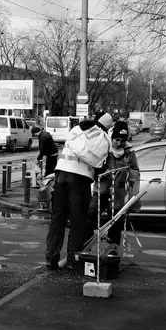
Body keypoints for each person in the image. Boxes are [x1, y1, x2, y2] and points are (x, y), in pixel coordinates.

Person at [45, 111, 113, 270]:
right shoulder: (102, 137)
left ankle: (51, 257)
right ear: (107, 127)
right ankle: (72, 260)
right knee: (77, 221)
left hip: (60, 175)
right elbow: (100, 167)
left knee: (58, 218)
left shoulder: (76, 129)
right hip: (79, 180)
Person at [88, 121, 140, 246]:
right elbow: (93, 165)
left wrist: (133, 196)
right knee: (91, 215)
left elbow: (135, 172)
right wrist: (100, 172)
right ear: (112, 138)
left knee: (116, 221)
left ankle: (113, 249)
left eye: (122, 141)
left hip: (119, 192)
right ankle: (87, 242)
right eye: (116, 140)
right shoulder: (104, 148)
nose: (119, 143)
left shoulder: (129, 153)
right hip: (102, 190)